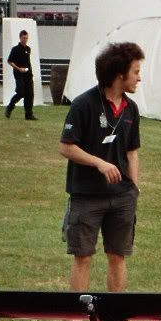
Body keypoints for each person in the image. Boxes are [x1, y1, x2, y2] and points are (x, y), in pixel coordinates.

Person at [57, 41, 145, 298]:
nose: (139, 78)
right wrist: (99, 162)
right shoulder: (83, 104)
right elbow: (66, 147)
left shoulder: (131, 109)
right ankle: (77, 315)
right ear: (120, 74)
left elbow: (132, 151)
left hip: (122, 197)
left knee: (118, 256)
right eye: (136, 72)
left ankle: (115, 314)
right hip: (87, 196)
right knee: (83, 256)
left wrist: (134, 188)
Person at [5, 29, 35, 120]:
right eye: (23, 38)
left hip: (28, 74)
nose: (25, 40)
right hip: (19, 75)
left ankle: (28, 115)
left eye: (26, 38)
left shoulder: (28, 49)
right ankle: (10, 106)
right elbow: (10, 61)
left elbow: (28, 62)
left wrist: (30, 72)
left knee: (29, 94)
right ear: (20, 38)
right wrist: (19, 68)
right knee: (21, 92)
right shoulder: (15, 49)